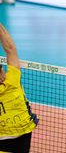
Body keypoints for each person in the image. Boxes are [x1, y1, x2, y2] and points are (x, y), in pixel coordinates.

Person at [0, 23, 39, 153]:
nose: (5, 71)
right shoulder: (12, 80)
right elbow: (10, 48)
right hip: (22, 133)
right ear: (1, 78)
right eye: (3, 70)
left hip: (18, 134)